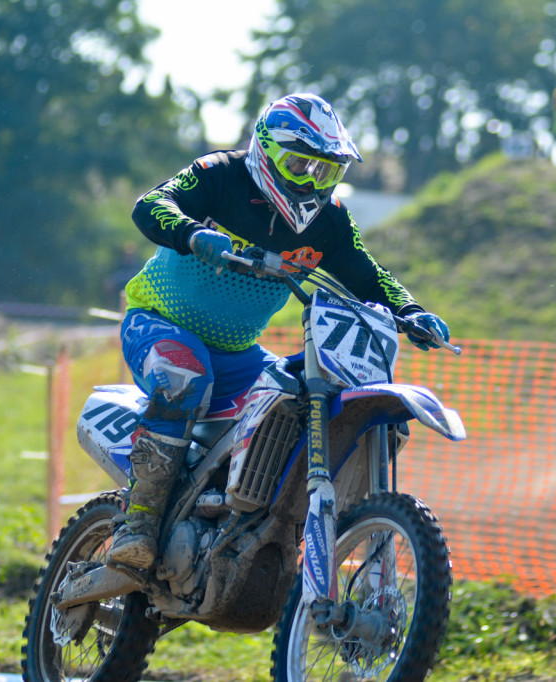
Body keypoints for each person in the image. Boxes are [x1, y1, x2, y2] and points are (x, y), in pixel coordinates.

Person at [108, 93, 452, 569]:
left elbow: (366, 273)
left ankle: (247, 525)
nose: (311, 182)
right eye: (299, 165)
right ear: (266, 151)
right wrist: (191, 233)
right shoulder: (220, 173)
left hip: (237, 352)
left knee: (298, 403)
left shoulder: (330, 222)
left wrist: (409, 310)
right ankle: (139, 521)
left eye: (325, 172)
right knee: (183, 378)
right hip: (158, 322)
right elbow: (151, 204)